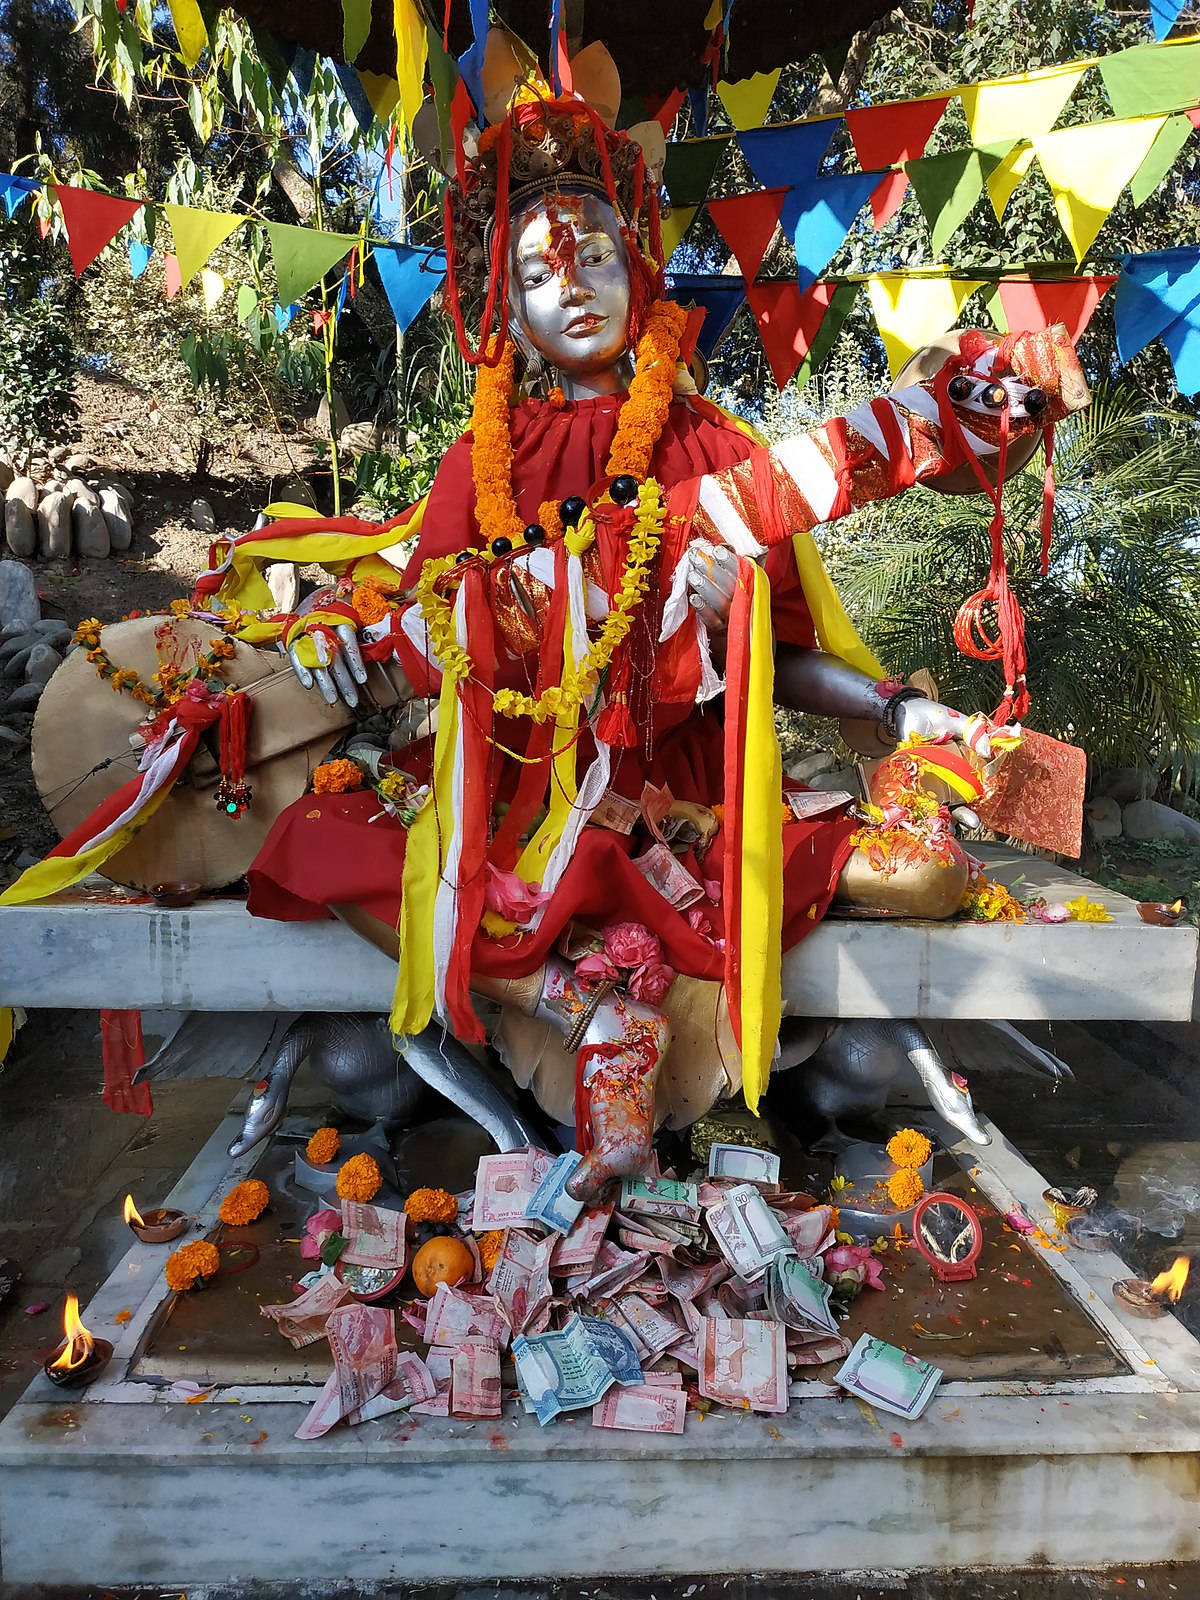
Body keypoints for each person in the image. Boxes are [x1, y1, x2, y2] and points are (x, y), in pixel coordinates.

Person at [182, 85, 1090, 1199]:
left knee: (929, 869)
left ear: (640, 268)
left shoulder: (719, 452)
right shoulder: (482, 463)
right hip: (514, 794)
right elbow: (412, 630)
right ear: (501, 312)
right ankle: (581, 1006)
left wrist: (889, 706)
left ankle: (620, 1029)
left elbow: (794, 651)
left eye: (597, 256)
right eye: (536, 272)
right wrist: (336, 634)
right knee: (316, 837)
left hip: (685, 796)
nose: (572, 286)